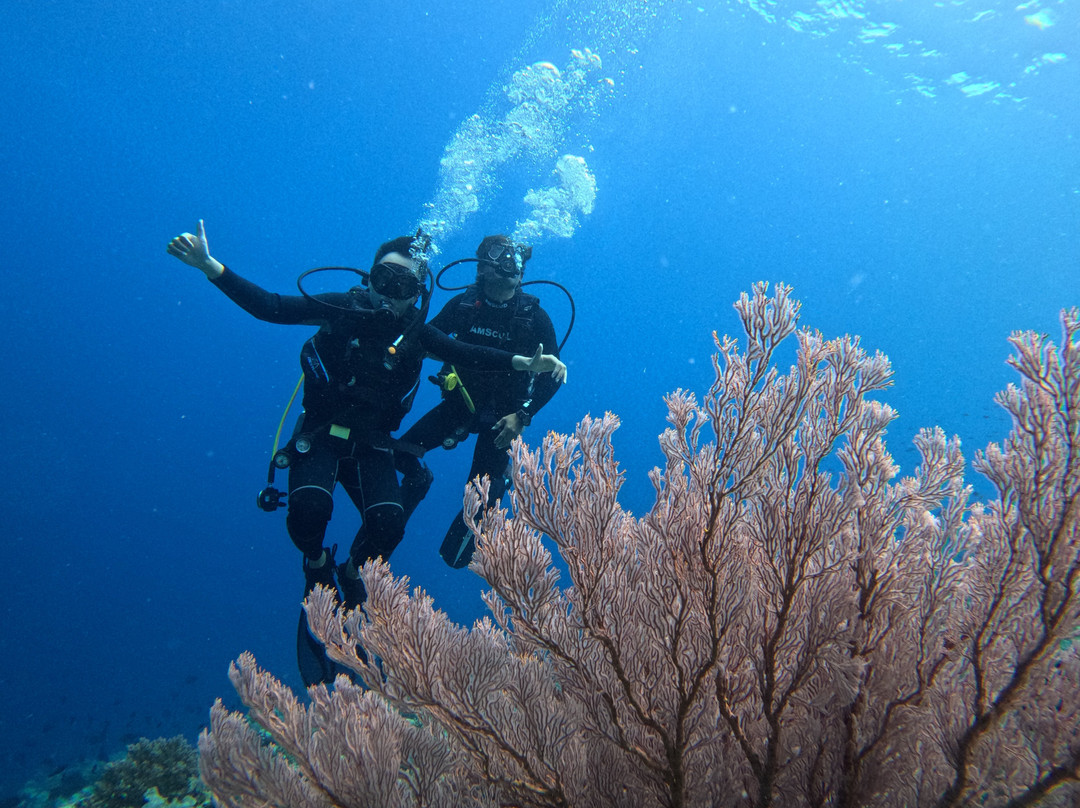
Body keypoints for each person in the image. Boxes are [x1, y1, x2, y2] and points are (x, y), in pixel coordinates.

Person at [166, 221, 566, 684]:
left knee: (389, 524)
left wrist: (523, 364)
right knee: (310, 509)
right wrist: (210, 266)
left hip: (372, 442)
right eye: (383, 280)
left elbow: (462, 351)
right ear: (369, 278)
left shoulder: (418, 333)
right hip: (320, 434)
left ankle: (354, 573)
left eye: (404, 287)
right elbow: (271, 307)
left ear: (417, 294)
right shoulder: (341, 308)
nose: (390, 295)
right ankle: (318, 567)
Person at [395, 235, 562, 568]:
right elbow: (425, 341)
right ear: (482, 267)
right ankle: (420, 481)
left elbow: (553, 376)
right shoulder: (462, 306)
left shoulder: (535, 317)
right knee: (401, 453)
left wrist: (522, 416)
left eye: (516, 260)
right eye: (500, 257)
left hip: (503, 419)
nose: (511, 265)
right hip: (460, 405)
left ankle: (501, 480)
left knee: (468, 526)